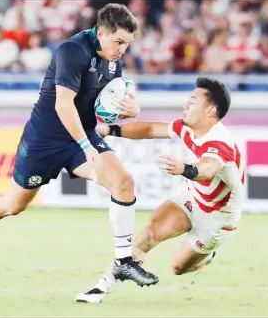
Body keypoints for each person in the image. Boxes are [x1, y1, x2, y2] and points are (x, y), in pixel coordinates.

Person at [0, 3, 159, 288]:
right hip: (44, 140)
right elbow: (63, 103)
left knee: (123, 183)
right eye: (118, 42)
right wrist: (86, 144)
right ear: (102, 33)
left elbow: (110, 102)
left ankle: (123, 262)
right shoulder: (73, 51)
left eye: (127, 44)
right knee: (13, 205)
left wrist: (132, 109)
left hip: (81, 136)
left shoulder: (113, 60)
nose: (122, 50)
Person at [76, 77, 245, 303]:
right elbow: (150, 128)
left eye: (193, 101)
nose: (186, 104)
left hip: (217, 217)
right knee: (149, 235)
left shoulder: (219, 141)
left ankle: (207, 255)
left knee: (178, 267)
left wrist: (185, 168)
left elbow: (208, 168)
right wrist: (108, 129)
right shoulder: (187, 127)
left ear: (210, 111)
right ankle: (101, 287)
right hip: (191, 196)